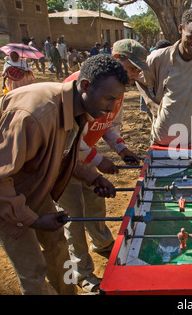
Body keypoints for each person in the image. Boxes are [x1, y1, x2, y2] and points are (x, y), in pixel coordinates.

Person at [0, 54, 129, 295]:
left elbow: (58, 156)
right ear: (86, 85)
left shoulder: (78, 108)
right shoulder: (36, 114)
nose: (111, 107)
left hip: (33, 188)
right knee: (33, 270)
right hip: (6, 200)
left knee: (58, 247)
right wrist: (32, 220)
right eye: (108, 98)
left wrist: (93, 177)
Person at [57, 39, 147, 293]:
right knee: (74, 216)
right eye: (132, 69)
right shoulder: (82, 85)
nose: (134, 76)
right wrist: (99, 160)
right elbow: (69, 140)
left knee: (95, 202)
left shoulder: (115, 91)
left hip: (87, 159)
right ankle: (81, 271)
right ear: (117, 59)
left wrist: (121, 149)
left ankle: (101, 242)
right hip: (67, 162)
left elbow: (109, 126)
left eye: (137, 72)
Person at [138, 9, 192, 146]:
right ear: (181, 29)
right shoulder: (160, 58)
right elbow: (138, 78)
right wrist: (150, 103)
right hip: (164, 139)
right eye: (191, 37)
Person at [139, 39, 171, 115]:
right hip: (155, 100)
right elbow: (140, 79)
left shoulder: (174, 60)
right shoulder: (151, 58)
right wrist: (150, 103)